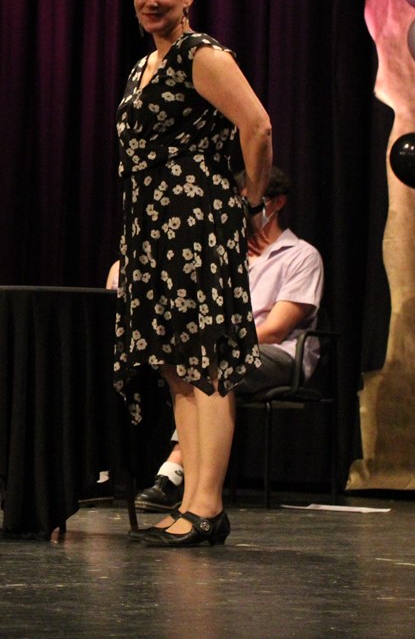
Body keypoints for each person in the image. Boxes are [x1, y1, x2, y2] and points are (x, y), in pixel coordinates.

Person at [113, 0, 272, 547]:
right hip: (154, 230)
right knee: (178, 370)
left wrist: (252, 202)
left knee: (207, 367)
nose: (151, 2)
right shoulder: (144, 66)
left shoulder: (199, 55)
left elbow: (256, 125)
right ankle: (189, 502)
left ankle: (208, 505)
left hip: (196, 224)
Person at [132, 166, 325, 513]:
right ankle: (169, 478)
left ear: (276, 203)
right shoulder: (225, 256)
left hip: (279, 355)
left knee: (214, 364)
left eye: (251, 203)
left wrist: (217, 343)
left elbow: (276, 328)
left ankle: (177, 475)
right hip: (227, 349)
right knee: (179, 362)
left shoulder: (301, 256)